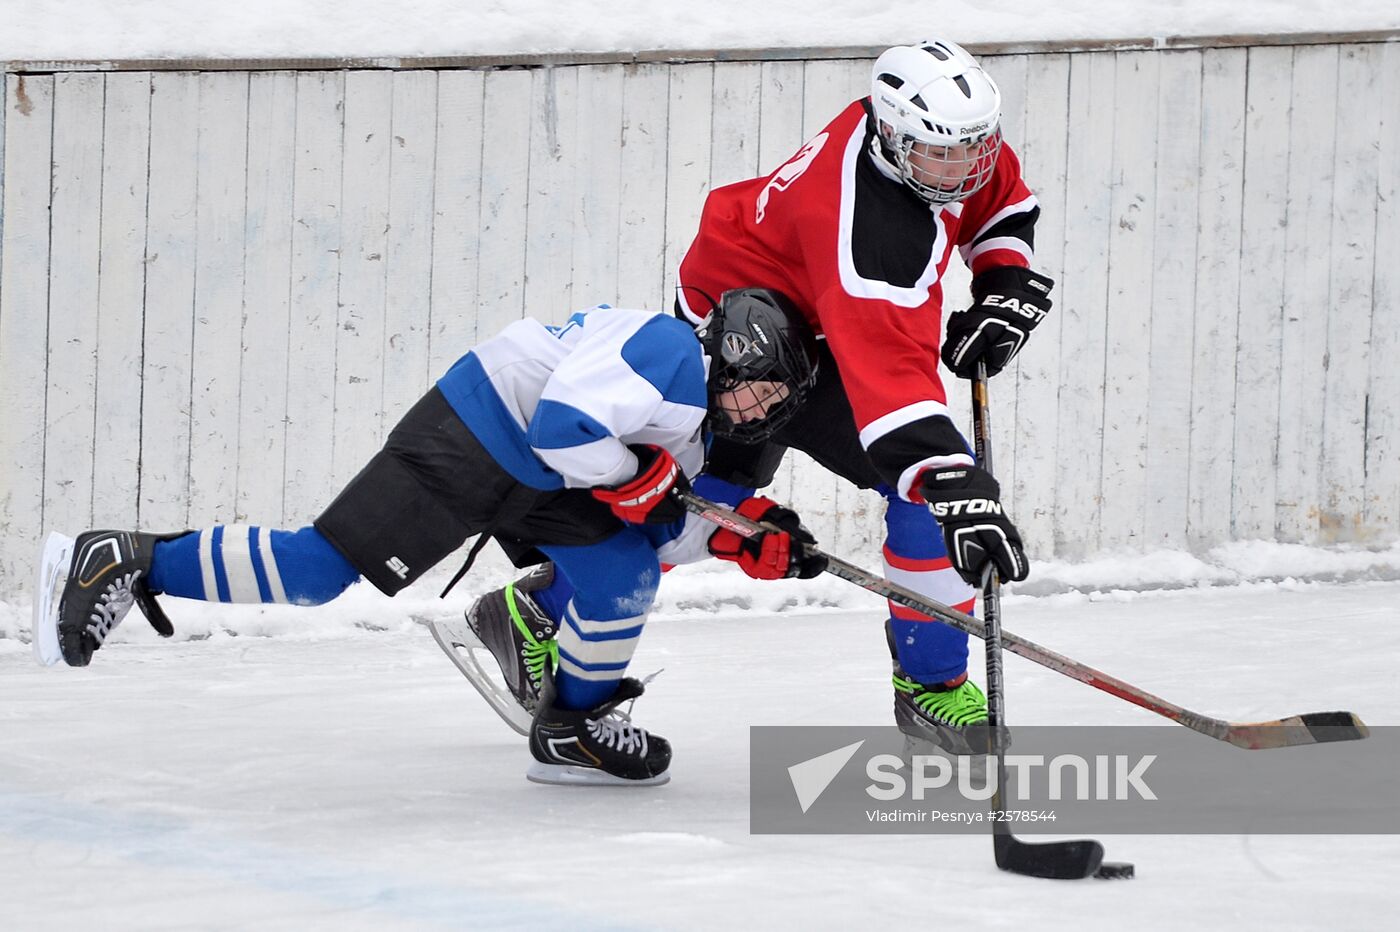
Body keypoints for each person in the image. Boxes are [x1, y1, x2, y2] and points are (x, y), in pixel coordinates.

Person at [464, 37, 1054, 757]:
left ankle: (932, 686)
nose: (961, 169)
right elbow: (890, 385)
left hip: (797, 313)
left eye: (972, 149)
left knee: (721, 495)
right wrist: (952, 483)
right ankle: (541, 609)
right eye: (944, 156)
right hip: (747, 340)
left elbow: (997, 200)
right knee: (729, 499)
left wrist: (1004, 282)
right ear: (892, 135)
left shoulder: (917, 137)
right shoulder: (870, 239)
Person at [34, 289, 826, 786]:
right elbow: (564, 428)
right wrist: (636, 480)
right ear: (731, 357)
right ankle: (123, 558)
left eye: (773, 400)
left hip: (547, 479)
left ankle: (572, 726)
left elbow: (659, 527)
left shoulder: (694, 431)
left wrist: (738, 540)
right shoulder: (666, 349)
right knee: (315, 574)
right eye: (760, 390)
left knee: (625, 572)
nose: (759, 411)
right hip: (479, 433)